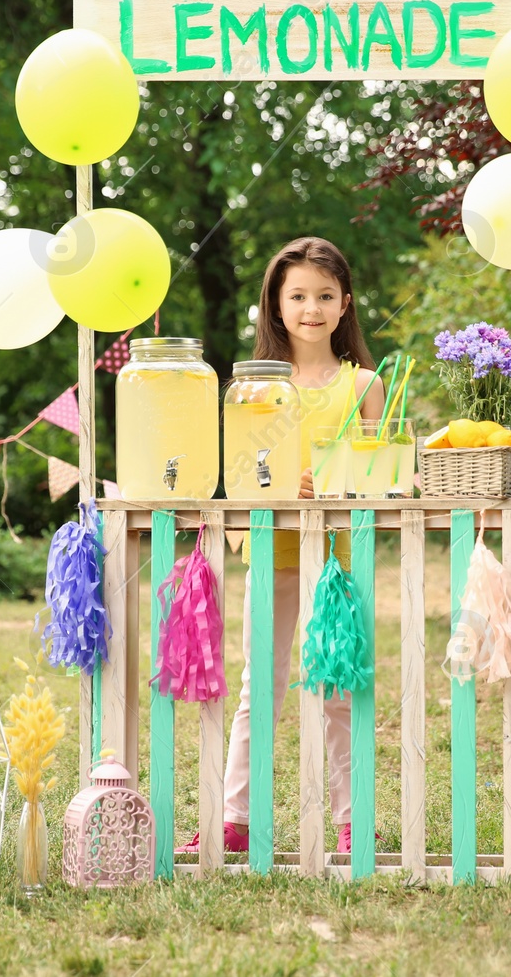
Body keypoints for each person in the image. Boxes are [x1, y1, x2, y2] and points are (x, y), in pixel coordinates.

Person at [176, 235, 385, 857]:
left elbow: (385, 474)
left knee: (339, 689)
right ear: (275, 303)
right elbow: (238, 470)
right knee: (258, 686)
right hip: (273, 551)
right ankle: (235, 821)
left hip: (339, 563)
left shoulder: (364, 384)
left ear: (345, 304)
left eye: (324, 296)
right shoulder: (255, 386)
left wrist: (340, 477)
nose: (311, 308)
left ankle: (353, 823)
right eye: (297, 296)